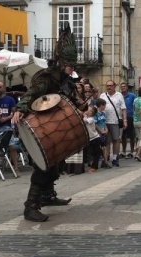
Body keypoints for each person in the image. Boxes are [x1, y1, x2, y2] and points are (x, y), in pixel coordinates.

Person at [11, 23, 84, 222]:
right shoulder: (47, 78)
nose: (72, 68)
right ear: (61, 62)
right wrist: (19, 108)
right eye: (69, 64)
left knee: (54, 164)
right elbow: (31, 94)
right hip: (40, 128)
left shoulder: (66, 80)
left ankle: (48, 196)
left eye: (73, 65)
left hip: (52, 127)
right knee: (42, 167)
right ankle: (30, 207)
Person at [100, 80, 127, 167]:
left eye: (111, 85)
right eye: (107, 85)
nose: (109, 87)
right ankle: (106, 158)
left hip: (116, 121)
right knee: (106, 142)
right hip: (105, 122)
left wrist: (125, 120)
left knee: (116, 140)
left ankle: (115, 158)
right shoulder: (103, 95)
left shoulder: (119, 95)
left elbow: (123, 108)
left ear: (114, 86)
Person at [120, 82, 136, 158]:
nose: (123, 87)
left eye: (124, 86)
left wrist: (134, 113)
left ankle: (132, 152)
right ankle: (123, 151)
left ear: (127, 87)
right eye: (121, 86)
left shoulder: (132, 96)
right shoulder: (119, 96)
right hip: (121, 117)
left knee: (131, 135)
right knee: (123, 135)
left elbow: (136, 105)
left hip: (130, 117)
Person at [84, 106, 101, 173]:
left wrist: (84, 115)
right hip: (90, 139)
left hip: (95, 138)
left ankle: (94, 167)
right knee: (91, 152)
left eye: (90, 111)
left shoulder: (91, 119)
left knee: (96, 153)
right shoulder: (87, 117)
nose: (88, 112)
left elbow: (85, 121)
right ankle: (92, 165)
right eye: (88, 110)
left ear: (93, 114)